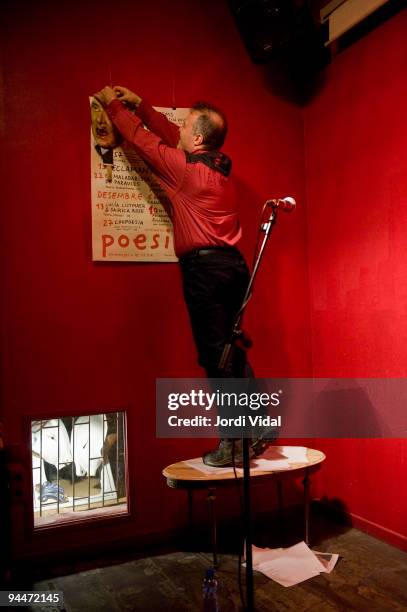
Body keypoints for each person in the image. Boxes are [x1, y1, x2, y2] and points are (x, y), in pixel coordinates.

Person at [94, 85, 270, 466]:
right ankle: (260, 425)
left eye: (186, 125)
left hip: (205, 271)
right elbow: (170, 137)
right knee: (229, 349)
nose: (179, 129)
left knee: (214, 356)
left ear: (199, 138)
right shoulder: (215, 169)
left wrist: (113, 104)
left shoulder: (186, 172)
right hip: (233, 268)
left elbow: (145, 142)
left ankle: (234, 443)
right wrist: (141, 103)